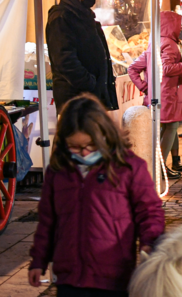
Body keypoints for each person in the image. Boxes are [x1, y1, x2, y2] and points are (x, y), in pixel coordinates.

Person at [28, 94, 165, 296]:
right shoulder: (58, 171)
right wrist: (38, 260)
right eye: (74, 146)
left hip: (112, 277)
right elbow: (48, 221)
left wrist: (150, 243)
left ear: (104, 135)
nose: (83, 153)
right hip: (69, 278)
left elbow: (149, 212)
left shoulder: (128, 167)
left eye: (89, 145)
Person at [129, 11, 182, 180]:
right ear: (171, 25)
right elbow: (167, 69)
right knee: (171, 127)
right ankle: (159, 167)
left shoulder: (154, 43)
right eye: (178, 24)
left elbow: (132, 68)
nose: (181, 27)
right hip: (168, 94)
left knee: (168, 127)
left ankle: (170, 162)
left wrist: (145, 87)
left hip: (160, 94)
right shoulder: (169, 44)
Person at [47, 0, 118, 113]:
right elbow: (65, 61)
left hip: (92, 98)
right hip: (76, 100)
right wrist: (90, 83)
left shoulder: (86, 17)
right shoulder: (62, 17)